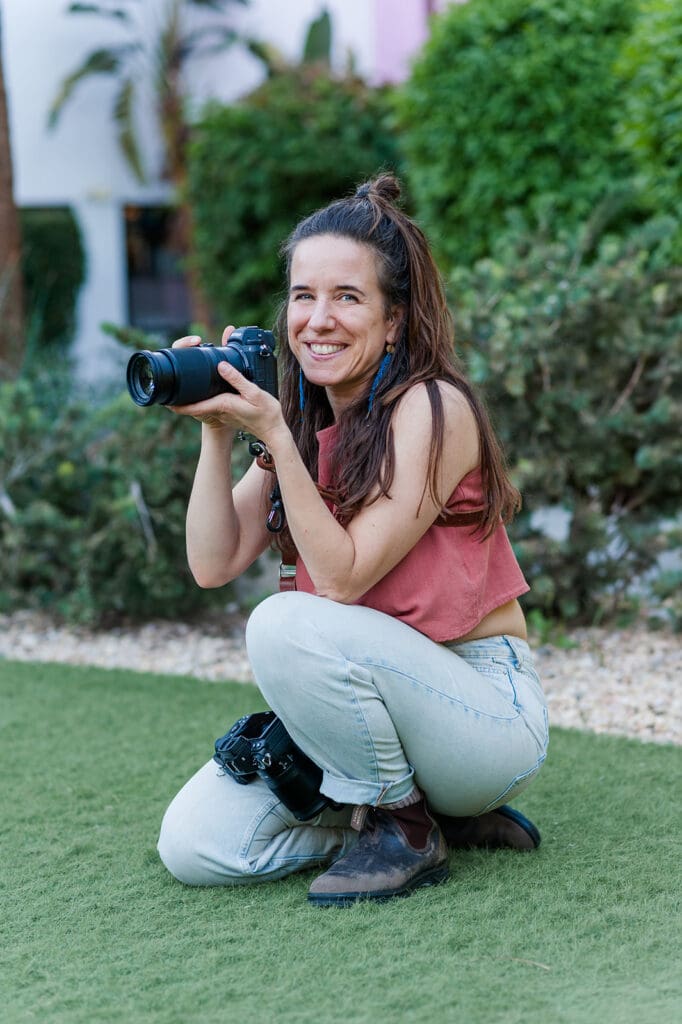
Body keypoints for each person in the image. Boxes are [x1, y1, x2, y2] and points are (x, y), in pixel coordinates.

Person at [157, 174, 549, 907]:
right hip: (367, 715)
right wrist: (218, 432)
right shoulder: (301, 426)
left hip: (480, 719)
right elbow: (212, 563)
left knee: (282, 620)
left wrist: (273, 432)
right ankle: (407, 821)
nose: (317, 319)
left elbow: (341, 580)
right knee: (195, 844)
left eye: (348, 296)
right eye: (303, 296)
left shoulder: (435, 407)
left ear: (394, 320)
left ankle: (403, 824)